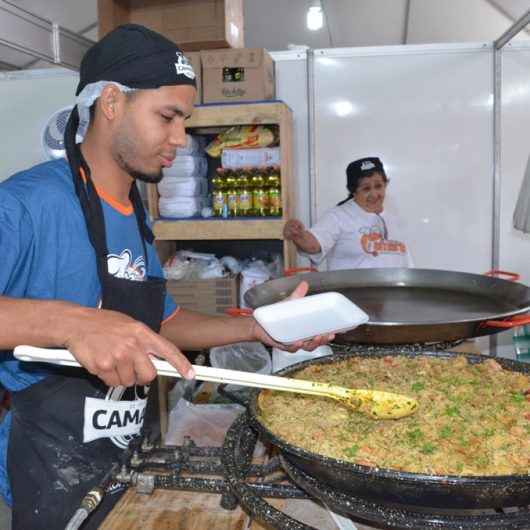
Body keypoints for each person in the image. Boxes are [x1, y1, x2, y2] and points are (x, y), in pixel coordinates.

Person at [0, 24, 331, 530]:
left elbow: (162, 322)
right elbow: (83, 324)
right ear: (111, 103)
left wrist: (255, 328)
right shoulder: (25, 204)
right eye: (167, 116)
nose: (181, 137)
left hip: (122, 453)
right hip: (46, 466)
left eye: (184, 119)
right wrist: (71, 323)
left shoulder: (134, 210)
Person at [284, 157, 413, 270]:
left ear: (385, 184)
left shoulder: (394, 218)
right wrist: (298, 234)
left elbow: (406, 265)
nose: (374, 194)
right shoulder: (338, 216)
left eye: (378, 186)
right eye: (366, 188)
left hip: (392, 295)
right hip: (350, 296)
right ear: (353, 191)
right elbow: (313, 246)